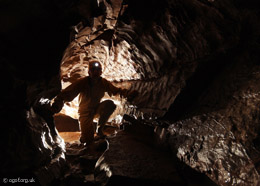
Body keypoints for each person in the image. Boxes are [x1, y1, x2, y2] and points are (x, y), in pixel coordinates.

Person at [51, 60, 137, 145]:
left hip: (96, 110)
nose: (95, 72)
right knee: (87, 141)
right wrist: (58, 103)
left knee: (110, 104)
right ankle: (84, 136)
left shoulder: (103, 82)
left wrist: (128, 94)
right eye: (93, 70)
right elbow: (69, 92)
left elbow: (116, 91)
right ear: (89, 72)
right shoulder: (83, 82)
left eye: (98, 70)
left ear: (101, 72)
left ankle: (99, 131)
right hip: (85, 113)